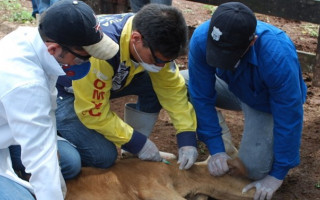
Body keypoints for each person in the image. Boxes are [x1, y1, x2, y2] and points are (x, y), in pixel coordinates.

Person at [187, 2, 307, 200]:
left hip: (266, 101)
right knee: (183, 86)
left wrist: (278, 174)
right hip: (230, 85)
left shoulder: (277, 56)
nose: (218, 59)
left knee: (254, 170)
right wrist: (216, 149)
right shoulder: (201, 38)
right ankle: (225, 149)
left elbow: (289, 114)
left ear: (252, 42)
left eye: (227, 55)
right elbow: (201, 95)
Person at [56, 4, 198, 170]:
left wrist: (187, 136)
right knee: (103, 156)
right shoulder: (99, 54)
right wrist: (137, 142)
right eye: (157, 60)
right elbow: (93, 112)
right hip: (65, 93)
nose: (161, 66)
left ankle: (130, 152)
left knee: (153, 84)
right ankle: (59, 134)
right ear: (136, 39)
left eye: (166, 61)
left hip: (109, 81)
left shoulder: (149, 35)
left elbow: (171, 87)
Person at [0, 0, 118, 199]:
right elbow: (41, 160)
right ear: (54, 49)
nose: (87, 63)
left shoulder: (36, 42)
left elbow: (47, 116)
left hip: (8, 130)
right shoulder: (26, 83)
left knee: (68, 163)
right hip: (11, 129)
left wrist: (52, 162)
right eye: (83, 58)